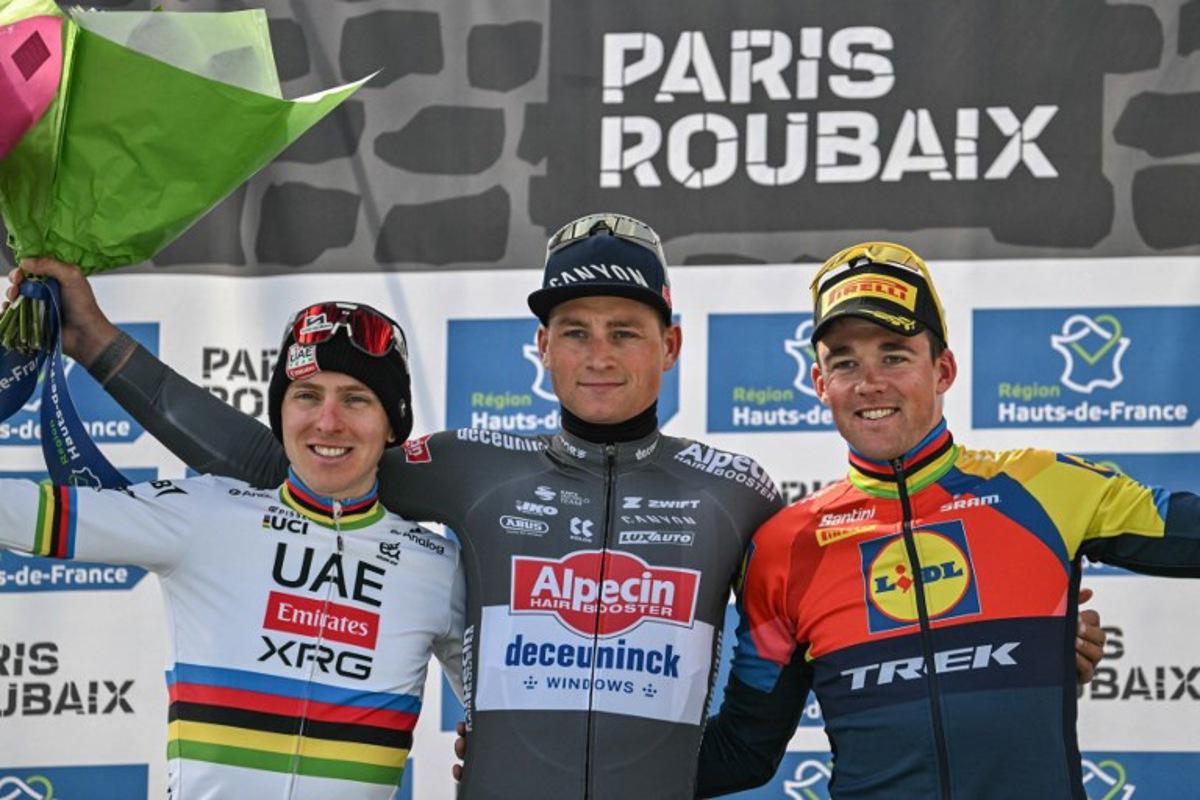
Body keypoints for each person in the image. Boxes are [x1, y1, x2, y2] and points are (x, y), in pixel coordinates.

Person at [4, 223, 1107, 799]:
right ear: (538, 348)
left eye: (627, 329)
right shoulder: (463, 466)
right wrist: (98, 341)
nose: (599, 354)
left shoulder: (745, 492)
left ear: (673, 345)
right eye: (573, 330)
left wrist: (1036, 633)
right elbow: (288, 453)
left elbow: (849, 612)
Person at [696, 242, 1200, 799]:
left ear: (943, 369)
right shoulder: (785, 547)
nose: (870, 383)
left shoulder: (1043, 487)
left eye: (894, 355)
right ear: (820, 384)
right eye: (845, 362)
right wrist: (588, 762)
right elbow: (743, 750)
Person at [0, 300, 465, 800]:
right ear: (281, 413)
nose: (328, 422)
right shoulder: (204, 516)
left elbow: (514, 712)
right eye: (307, 396)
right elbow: (18, 512)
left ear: (394, 424)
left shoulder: (436, 567)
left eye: (356, 399)